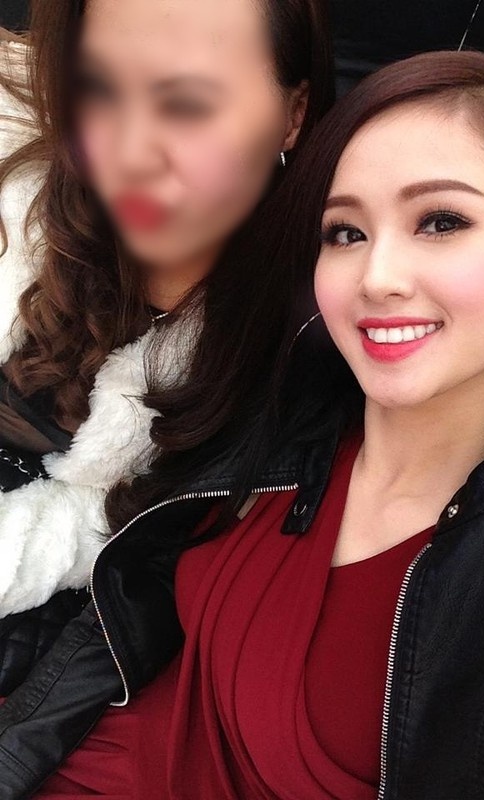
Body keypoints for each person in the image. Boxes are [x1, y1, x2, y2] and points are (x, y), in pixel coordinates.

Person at [2, 48, 484, 798]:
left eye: (441, 221)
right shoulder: (280, 414)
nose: (378, 277)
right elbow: (113, 632)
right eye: (344, 232)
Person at [0, 0, 333, 696]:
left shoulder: (299, 348)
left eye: (188, 102)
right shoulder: (22, 211)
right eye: (99, 89)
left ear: (293, 113)